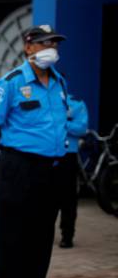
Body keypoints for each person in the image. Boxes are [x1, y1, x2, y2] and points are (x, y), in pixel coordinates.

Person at [0, 24, 70, 278]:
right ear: (28, 46)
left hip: (52, 170)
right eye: (46, 43)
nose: (52, 48)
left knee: (42, 236)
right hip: (18, 168)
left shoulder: (59, 83)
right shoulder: (10, 83)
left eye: (55, 43)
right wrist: (14, 152)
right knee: (11, 238)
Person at [58, 94, 88, 248]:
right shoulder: (41, 101)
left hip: (67, 155)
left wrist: (61, 123)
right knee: (42, 197)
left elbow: (81, 128)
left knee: (68, 198)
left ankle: (67, 235)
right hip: (43, 154)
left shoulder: (76, 104)